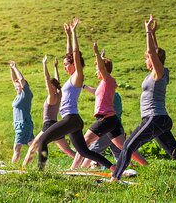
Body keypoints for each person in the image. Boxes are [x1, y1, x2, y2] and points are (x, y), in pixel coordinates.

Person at [110, 15, 176, 185]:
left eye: (147, 58)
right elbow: (155, 51)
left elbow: (152, 52)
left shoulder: (160, 73)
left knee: (128, 145)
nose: (145, 60)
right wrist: (154, 35)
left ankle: (115, 177)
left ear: (154, 60)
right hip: (159, 120)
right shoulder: (157, 72)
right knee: (175, 152)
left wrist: (148, 32)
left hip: (154, 118)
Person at [37, 18, 115, 171]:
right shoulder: (71, 78)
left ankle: (40, 172)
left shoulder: (78, 76)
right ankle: (114, 168)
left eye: (66, 64)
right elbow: (70, 54)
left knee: (43, 141)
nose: (65, 67)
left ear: (74, 64)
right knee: (84, 151)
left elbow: (74, 54)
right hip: (74, 120)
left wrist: (74, 33)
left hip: (71, 119)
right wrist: (67, 34)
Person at [70, 42, 148, 169]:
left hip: (106, 118)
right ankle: (146, 166)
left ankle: (74, 169)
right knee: (124, 147)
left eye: (97, 70)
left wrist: (96, 53)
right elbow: (100, 74)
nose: (96, 73)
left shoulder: (108, 81)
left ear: (103, 71)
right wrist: (100, 57)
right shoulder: (104, 84)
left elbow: (102, 68)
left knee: (84, 142)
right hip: (112, 120)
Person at [22, 55, 75, 167]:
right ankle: (88, 162)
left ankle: (23, 169)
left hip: (48, 126)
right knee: (68, 151)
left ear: (52, 87)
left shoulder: (52, 96)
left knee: (32, 148)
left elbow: (47, 79)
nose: (47, 87)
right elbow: (57, 81)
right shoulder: (59, 94)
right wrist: (55, 67)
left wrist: (44, 64)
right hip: (56, 125)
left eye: (49, 86)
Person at [9, 60, 34, 163]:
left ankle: (13, 167)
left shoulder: (26, 94)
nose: (16, 86)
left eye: (18, 85)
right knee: (33, 146)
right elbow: (14, 79)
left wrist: (15, 67)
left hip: (23, 124)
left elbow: (21, 79)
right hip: (21, 124)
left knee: (17, 148)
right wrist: (11, 69)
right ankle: (43, 161)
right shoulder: (19, 95)